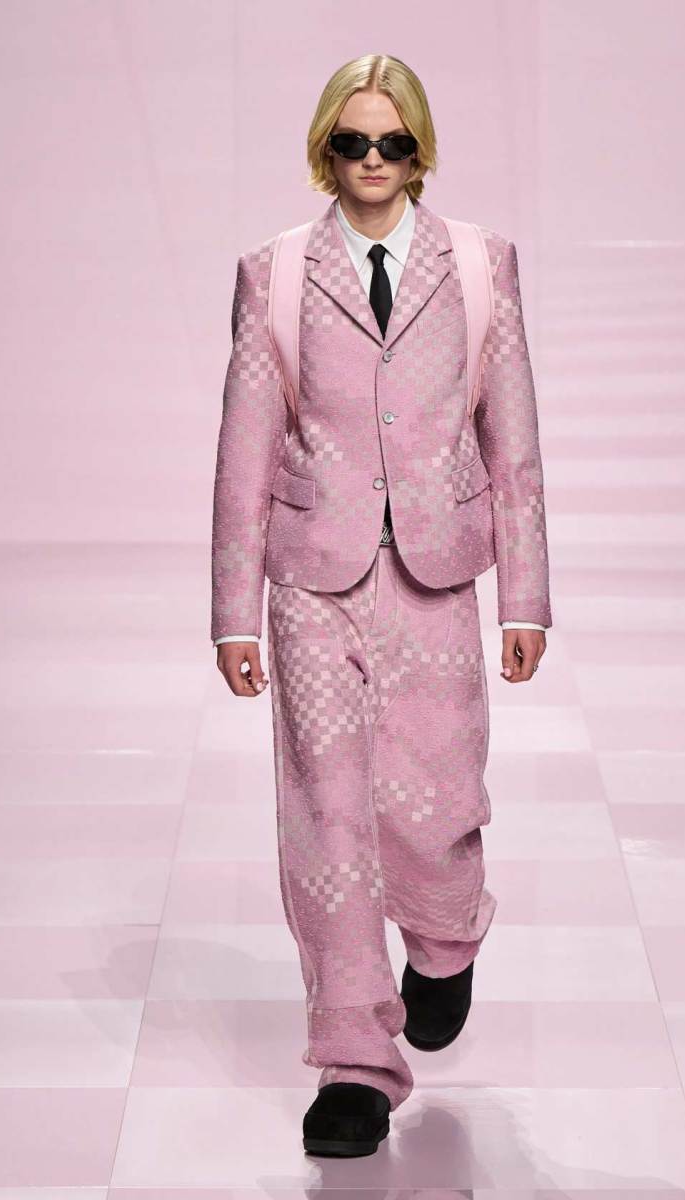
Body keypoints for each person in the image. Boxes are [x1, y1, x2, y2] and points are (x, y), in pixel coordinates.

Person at [210, 53, 552, 1159]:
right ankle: (354, 1063)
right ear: (326, 148)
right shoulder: (274, 273)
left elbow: (513, 438)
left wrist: (527, 597)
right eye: (352, 141)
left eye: (391, 142)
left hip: (437, 571)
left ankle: (444, 940)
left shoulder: (479, 265)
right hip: (312, 578)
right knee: (328, 816)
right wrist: (233, 613)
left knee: (437, 804)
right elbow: (243, 448)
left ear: (418, 148)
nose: (371, 159)